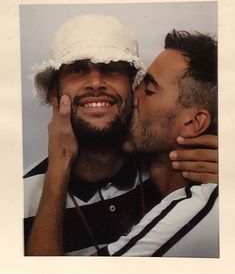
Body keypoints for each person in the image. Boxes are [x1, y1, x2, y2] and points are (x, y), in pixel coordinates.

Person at [24, 15, 218, 256]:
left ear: (130, 86)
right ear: (54, 93)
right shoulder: (17, 197)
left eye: (111, 68)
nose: (95, 82)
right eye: (77, 69)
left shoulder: (176, 172)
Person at [98, 30, 218, 257]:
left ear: (193, 122)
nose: (132, 96)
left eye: (150, 90)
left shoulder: (194, 208)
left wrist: (59, 162)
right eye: (138, 84)